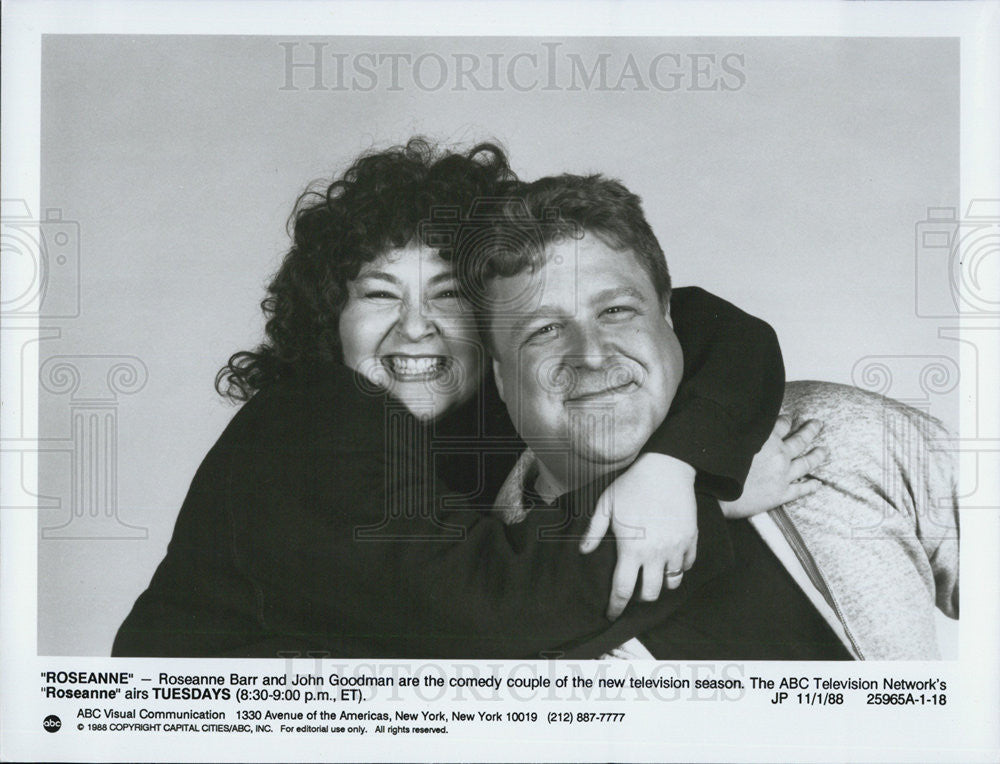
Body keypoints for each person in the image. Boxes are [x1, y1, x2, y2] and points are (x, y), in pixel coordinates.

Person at [112, 139, 805, 658]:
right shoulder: (307, 426)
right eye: (380, 294)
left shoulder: (467, 426)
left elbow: (707, 325)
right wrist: (711, 504)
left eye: (447, 296)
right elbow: (488, 616)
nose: (415, 326)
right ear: (328, 316)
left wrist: (677, 463)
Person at [480, 173, 960, 659]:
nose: (593, 356)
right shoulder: (490, 596)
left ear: (669, 317)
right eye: (543, 329)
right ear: (498, 374)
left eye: (616, 311)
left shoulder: (843, 435)